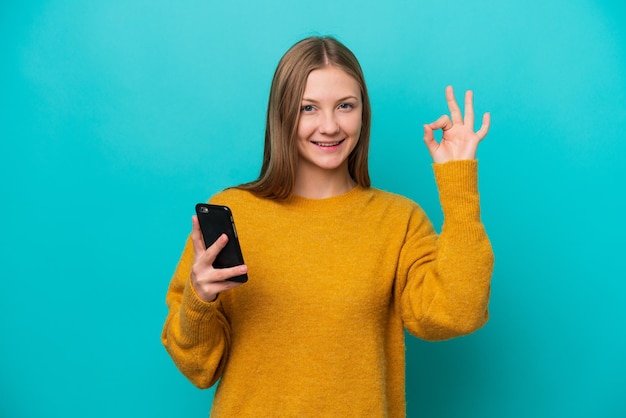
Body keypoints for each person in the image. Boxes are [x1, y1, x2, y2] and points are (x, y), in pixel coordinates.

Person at [162, 36, 493, 417]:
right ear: (282, 113)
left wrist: (458, 181)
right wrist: (200, 300)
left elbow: (458, 312)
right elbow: (198, 368)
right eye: (308, 108)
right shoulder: (233, 214)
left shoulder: (397, 221)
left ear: (363, 113)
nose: (330, 126)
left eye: (345, 106)